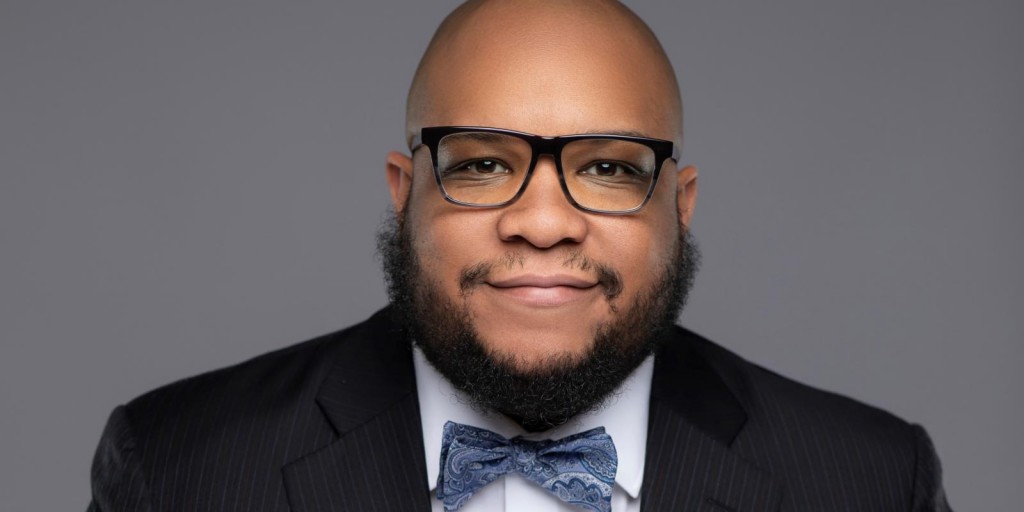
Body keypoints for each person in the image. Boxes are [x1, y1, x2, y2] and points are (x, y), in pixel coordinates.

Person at [87, 1, 952, 510]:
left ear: (679, 208)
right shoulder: (177, 468)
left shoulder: (870, 482)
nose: (543, 223)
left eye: (610, 169)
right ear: (405, 192)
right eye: (484, 164)